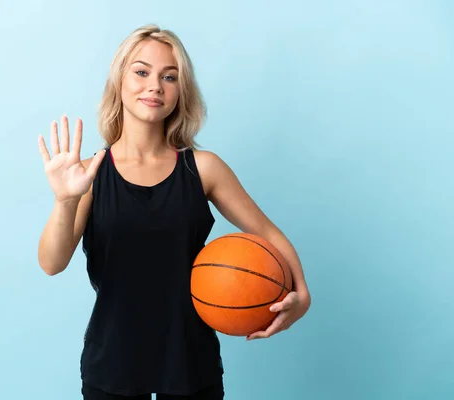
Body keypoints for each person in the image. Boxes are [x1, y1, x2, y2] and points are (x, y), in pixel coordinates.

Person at [37, 24, 311, 400]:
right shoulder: (89, 175)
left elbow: (267, 232)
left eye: (170, 76)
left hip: (190, 362)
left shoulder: (205, 169)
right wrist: (65, 200)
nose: (155, 86)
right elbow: (52, 263)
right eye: (142, 72)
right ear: (120, 80)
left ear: (181, 91)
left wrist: (302, 294)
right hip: (112, 363)